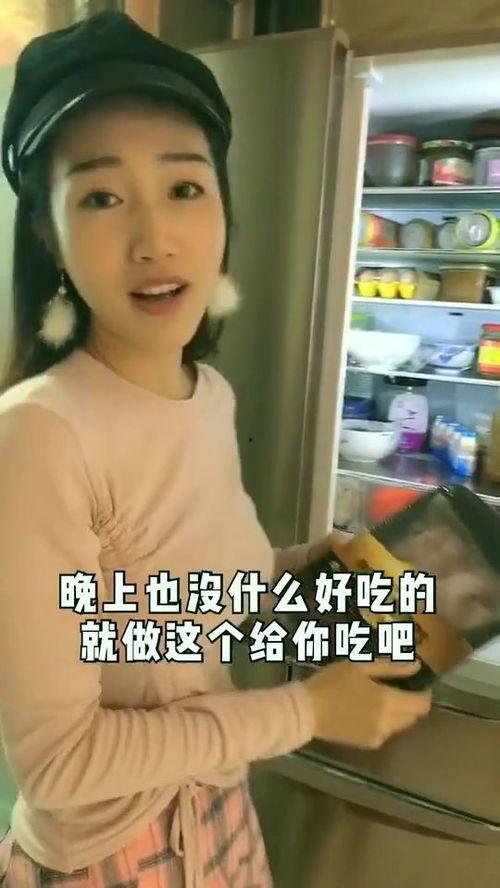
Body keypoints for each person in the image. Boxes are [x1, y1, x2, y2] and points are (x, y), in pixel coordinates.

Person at [0, 11, 431, 888]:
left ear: (224, 208)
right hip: (110, 857)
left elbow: (176, 601)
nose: (155, 238)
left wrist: (307, 569)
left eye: (185, 187)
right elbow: (59, 765)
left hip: (218, 813)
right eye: (101, 197)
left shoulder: (208, 395)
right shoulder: (38, 435)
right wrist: (307, 711)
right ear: (47, 233)